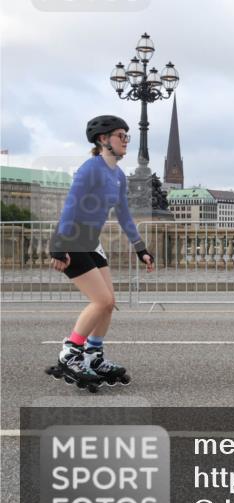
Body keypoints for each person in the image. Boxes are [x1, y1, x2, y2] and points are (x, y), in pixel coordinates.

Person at [46, 115, 155, 391]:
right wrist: (58, 246)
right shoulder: (90, 169)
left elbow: (124, 215)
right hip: (72, 238)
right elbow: (70, 206)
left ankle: (93, 356)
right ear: (103, 139)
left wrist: (140, 247)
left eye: (127, 136)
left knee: (109, 303)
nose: (125, 141)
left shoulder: (118, 176)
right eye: (121, 135)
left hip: (92, 241)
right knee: (101, 300)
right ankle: (71, 352)